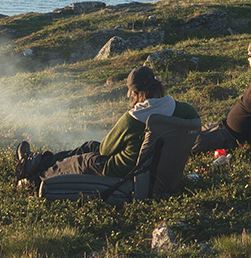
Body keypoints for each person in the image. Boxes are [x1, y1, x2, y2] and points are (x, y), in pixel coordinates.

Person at [15, 66, 199, 187]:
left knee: (80, 162)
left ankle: (33, 178)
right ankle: (37, 161)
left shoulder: (134, 118)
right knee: (89, 146)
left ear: (135, 93)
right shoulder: (186, 111)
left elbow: (105, 149)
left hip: (123, 169)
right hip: (161, 168)